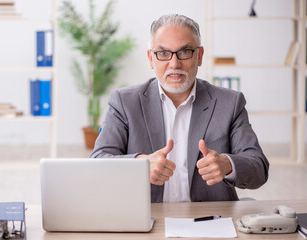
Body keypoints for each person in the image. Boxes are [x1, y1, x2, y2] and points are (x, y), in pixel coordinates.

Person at [91, 14, 269, 203]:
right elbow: (98, 162)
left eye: (184, 52)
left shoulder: (230, 102)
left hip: (210, 221)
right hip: (146, 220)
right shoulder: (124, 102)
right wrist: (139, 165)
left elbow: (259, 167)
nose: (174, 64)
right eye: (163, 53)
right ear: (151, 59)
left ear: (199, 56)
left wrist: (228, 165)